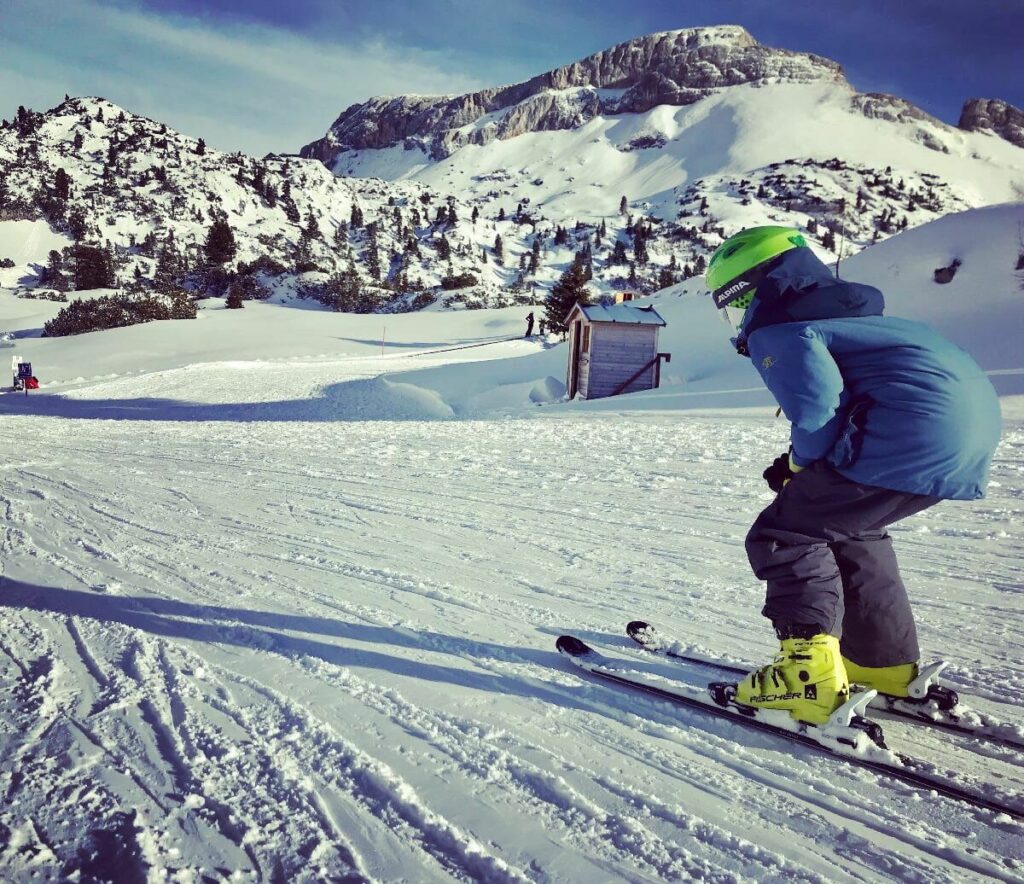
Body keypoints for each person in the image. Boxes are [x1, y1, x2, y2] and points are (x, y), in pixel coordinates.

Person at [705, 226, 1001, 725]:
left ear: (753, 290)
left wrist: (799, 467)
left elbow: (817, 410)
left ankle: (809, 683)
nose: (743, 317)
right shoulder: (853, 316)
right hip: (964, 431)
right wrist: (802, 465)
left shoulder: (781, 326)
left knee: (786, 533)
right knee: (853, 529)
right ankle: (884, 666)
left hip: (908, 433)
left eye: (739, 304)